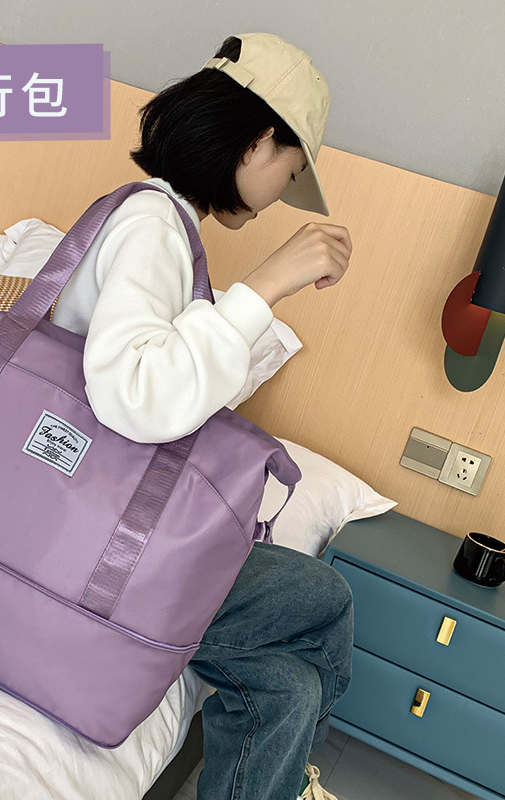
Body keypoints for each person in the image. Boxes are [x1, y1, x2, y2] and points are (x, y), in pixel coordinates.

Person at [50, 33, 354, 800]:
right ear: (257, 142)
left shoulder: (164, 228)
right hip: (76, 539)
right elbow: (137, 395)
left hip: (83, 511)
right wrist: (266, 286)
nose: (284, 190)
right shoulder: (152, 226)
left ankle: (284, 781)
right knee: (324, 598)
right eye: (291, 169)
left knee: (287, 688)